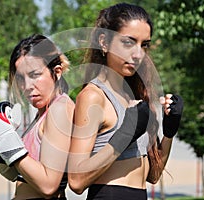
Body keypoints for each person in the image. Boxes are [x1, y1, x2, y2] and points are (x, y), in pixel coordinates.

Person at [67, 3, 183, 200]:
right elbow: (76, 181)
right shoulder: (93, 96)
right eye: (128, 42)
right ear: (103, 42)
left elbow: (153, 176)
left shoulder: (135, 97)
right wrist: (125, 134)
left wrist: (169, 132)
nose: (138, 54)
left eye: (144, 44)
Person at [0, 34, 74, 200]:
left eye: (34, 75)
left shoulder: (59, 109)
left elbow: (48, 185)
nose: (27, 86)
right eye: (20, 78)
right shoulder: (43, 113)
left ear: (57, 72)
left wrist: (8, 143)